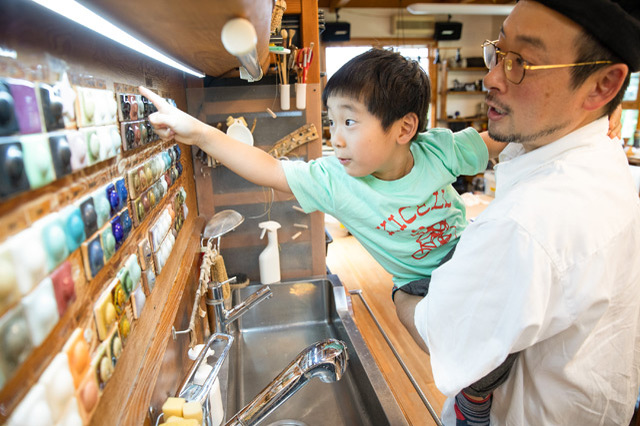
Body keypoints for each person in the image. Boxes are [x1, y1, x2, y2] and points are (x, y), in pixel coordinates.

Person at [140, 48, 513, 422]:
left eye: (349, 122)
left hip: (469, 257)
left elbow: (502, 138)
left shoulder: (439, 151)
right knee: (465, 360)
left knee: (506, 337)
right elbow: (269, 168)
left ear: (404, 128)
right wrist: (200, 133)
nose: (336, 139)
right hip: (418, 284)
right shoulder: (334, 180)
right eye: (332, 123)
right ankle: (474, 397)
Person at [395, 0, 640, 424]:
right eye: (499, 52)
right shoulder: (603, 162)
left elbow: (439, 332)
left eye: (522, 62)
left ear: (602, 86)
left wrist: (399, 288)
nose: (490, 78)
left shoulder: (531, 221)